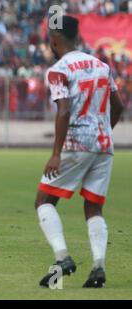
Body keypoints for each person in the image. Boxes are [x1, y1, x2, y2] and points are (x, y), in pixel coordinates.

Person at [35, 16, 124, 288]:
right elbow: (118, 105)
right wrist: (104, 130)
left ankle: (63, 258)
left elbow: (63, 111)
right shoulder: (101, 66)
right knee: (94, 206)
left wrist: (56, 153)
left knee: (44, 201)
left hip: (76, 143)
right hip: (103, 144)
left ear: (55, 39)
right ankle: (98, 268)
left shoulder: (59, 70)